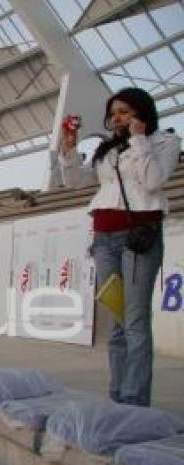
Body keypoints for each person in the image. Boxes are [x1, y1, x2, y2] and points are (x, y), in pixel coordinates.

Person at [59, 87, 180, 406]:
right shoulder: (106, 150)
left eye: (124, 112)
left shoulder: (165, 141)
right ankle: (117, 395)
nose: (116, 118)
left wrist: (139, 140)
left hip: (139, 236)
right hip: (104, 238)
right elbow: (75, 182)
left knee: (136, 320)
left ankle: (134, 399)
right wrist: (69, 152)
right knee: (117, 323)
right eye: (113, 114)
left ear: (142, 112)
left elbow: (153, 181)